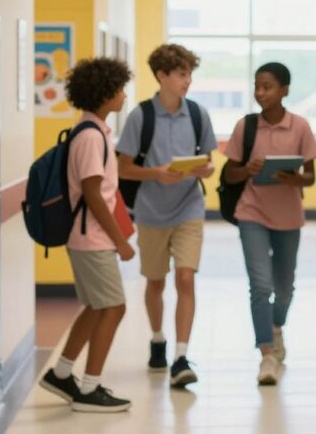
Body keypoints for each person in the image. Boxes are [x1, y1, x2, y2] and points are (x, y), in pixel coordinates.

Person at [115, 43, 217, 387]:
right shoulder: (140, 117)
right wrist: (156, 173)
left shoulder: (199, 114)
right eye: (181, 74)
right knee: (155, 281)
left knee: (185, 278)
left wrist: (204, 170)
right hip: (151, 211)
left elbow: (209, 162)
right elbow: (123, 168)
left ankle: (181, 356)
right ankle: (158, 338)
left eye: (190, 74)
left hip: (189, 206)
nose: (188, 81)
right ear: (162, 76)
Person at [38, 57, 136, 412]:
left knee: (97, 306)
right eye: (120, 89)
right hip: (93, 238)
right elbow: (93, 194)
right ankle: (89, 388)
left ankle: (62, 374)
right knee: (114, 306)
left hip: (88, 237)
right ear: (105, 93)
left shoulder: (91, 131)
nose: (124, 95)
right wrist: (121, 242)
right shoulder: (91, 137)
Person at [222, 62, 316, 385]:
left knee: (285, 290)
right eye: (257, 86)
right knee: (260, 286)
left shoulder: (301, 127)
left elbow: (310, 178)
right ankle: (266, 353)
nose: (260, 92)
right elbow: (229, 174)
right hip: (251, 212)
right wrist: (248, 170)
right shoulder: (245, 127)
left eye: (267, 86)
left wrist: (293, 179)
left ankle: (275, 327)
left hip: (289, 217)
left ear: (285, 90)